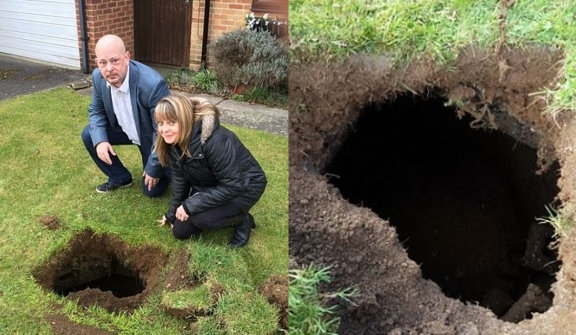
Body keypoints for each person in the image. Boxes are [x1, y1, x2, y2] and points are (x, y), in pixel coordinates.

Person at [155, 94, 267, 248]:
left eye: (171, 122)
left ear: (186, 120)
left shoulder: (214, 140)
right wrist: (172, 213)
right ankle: (217, 212)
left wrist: (190, 205)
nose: (164, 130)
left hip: (245, 185)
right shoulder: (173, 142)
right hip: (212, 184)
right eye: (160, 123)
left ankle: (243, 220)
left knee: (203, 219)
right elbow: (180, 179)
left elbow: (234, 185)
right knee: (180, 232)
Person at [81, 34, 171, 197]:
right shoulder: (98, 77)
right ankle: (120, 177)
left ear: (126, 57)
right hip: (124, 130)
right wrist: (100, 141)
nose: (108, 69)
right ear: (97, 63)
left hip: (149, 136)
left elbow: (162, 132)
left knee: (152, 191)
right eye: (103, 63)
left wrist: (153, 168)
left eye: (114, 60)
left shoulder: (153, 85)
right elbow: (96, 111)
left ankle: (166, 171)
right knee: (90, 135)